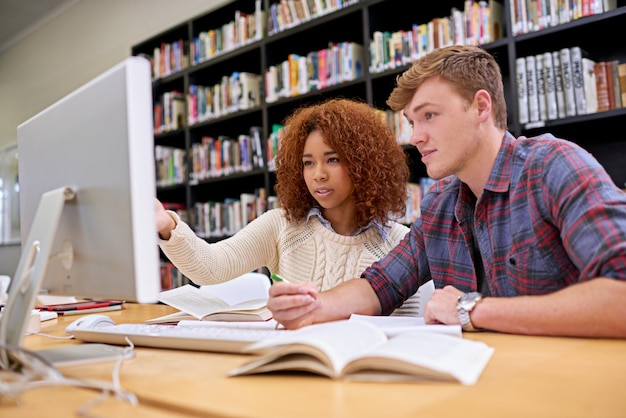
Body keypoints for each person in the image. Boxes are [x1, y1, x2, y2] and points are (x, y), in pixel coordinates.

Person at [267, 45, 626, 338]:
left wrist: (471, 309)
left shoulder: (553, 167)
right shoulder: (440, 202)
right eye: (411, 122)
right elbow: (380, 285)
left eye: (429, 116)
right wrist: (312, 307)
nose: (415, 136)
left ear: (481, 107)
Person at [156, 98, 421, 315]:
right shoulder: (281, 226)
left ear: (364, 165)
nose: (318, 174)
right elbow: (212, 267)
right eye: (308, 163)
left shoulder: (400, 244)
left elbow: (408, 330)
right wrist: (168, 226)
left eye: (333, 159)